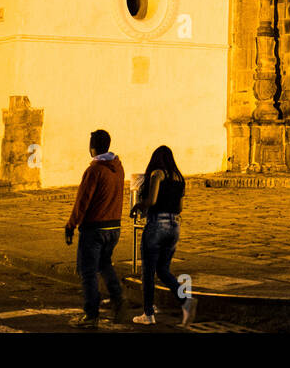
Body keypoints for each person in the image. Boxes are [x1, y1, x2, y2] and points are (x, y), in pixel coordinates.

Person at [65, 129, 126, 329]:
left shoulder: (94, 170)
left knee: (88, 272)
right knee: (105, 264)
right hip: (114, 226)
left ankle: (91, 314)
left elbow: (82, 202)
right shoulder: (118, 168)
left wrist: (71, 225)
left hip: (94, 228)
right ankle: (117, 298)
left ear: (92, 147)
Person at [131, 145, 196, 327]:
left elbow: (151, 201)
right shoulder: (179, 178)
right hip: (175, 225)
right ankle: (186, 301)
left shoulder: (157, 174)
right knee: (163, 270)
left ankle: (148, 313)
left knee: (148, 272)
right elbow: (180, 207)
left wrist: (138, 206)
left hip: (157, 224)